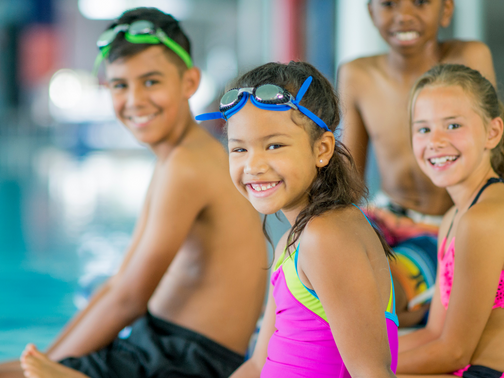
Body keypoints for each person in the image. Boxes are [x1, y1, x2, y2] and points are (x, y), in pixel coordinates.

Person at [6, 7, 268, 378]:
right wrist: (48, 360)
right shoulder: (181, 157)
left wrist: (46, 367)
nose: (134, 100)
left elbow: (128, 297)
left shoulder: (186, 166)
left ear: (190, 82)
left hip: (182, 362)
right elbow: (118, 284)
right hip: (160, 346)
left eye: (151, 81)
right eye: (119, 85)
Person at [196, 61, 399, 377]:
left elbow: (371, 373)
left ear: (322, 149)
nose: (254, 165)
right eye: (239, 150)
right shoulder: (292, 243)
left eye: (274, 145)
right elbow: (257, 364)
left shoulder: (327, 237)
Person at [338, 0, 497, 326]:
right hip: (384, 214)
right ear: (371, 12)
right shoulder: (356, 73)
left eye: (421, 2)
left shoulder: (470, 56)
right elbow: (348, 178)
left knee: (384, 289)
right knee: (322, 263)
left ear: (447, 9)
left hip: (441, 225)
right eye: (389, 4)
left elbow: (493, 148)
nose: (404, 15)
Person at [397, 64, 504, 377]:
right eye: (424, 129)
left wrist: (356, 367)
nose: (436, 141)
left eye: (453, 125)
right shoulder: (453, 218)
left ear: (492, 132)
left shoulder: (487, 216)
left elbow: (454, 352)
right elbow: (434, 335)